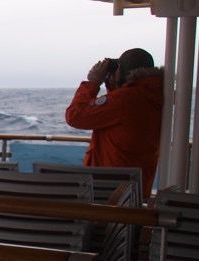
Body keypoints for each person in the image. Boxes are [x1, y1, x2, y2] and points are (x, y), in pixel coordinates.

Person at [64, 47, 164, 197]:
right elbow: (115, 112)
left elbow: (75, 116)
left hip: (112, 189)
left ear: (123, 72)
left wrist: (92, 83)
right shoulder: (151, 94)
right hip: (135, 187)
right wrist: (115, 83)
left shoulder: (126, 99)